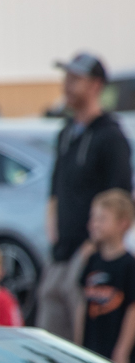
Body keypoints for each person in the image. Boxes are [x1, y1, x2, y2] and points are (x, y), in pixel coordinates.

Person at [38, 53, 133, 340]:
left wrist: (92, 248)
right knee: (49, 336)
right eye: (66, 78)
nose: (67, 85)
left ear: (96, 86)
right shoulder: (66, 133)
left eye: (76, 79)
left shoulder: (110, 137)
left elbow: (120, 198)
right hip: (60, 254)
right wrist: (54, 234)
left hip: (88, 255)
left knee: (82, 341)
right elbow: (55, 191)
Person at [75, 189, 135, 363]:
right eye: (93, 218)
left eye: (102, 219)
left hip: (114, 349)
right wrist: (77, 343)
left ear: (122, 224)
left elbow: (132, 310)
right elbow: (82, 302)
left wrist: (122, 351)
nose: (94, 224)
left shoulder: (129, 265)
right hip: (91, 345)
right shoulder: (92, 260)